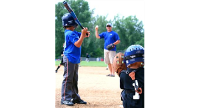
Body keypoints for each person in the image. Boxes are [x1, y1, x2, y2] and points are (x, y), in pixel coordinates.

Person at [61, 13, 90, 106]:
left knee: (74, 79)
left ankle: (75, 97)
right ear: (71, 23)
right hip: (69, 58)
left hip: (74, 59)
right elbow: (77, 44)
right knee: (68, 78)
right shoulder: (69, 33)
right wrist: (82, 35)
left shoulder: (73, 32)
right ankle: (65, 98)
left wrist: (84, 34)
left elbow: (83, 36)